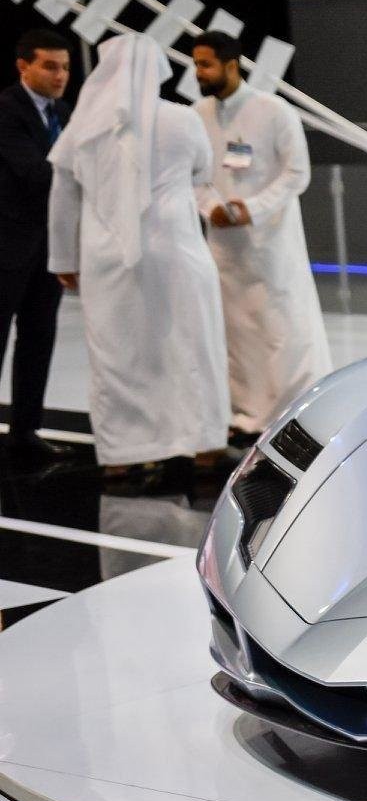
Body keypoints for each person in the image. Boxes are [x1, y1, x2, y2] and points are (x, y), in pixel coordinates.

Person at [46, 33, 229, 479]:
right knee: (191, 348)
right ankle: (204, 447)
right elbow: (203, 171)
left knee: (118, 355)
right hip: (177, 252)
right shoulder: (183, 119)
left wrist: (63, 260)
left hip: (106, 258)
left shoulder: (83, 127)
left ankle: (123, 455)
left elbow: (63, 198)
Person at [190, 31, 331, 440]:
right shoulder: (197, 115)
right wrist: (210, 207)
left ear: (231, 65)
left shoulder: (273, 110)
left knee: (282, 327)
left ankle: (297, 415)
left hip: (272, 243)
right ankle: (247, 415)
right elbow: (193, 174)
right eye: (196, 64)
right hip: (224, 245)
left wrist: (251, 209)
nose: (198, 72)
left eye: (205, 64)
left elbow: (297, 174)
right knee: (237, 331)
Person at [0, 29, 75, 469]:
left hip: (48, 248)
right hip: (7, 247)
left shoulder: (63, 112)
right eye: (49, 66)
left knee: (38, 338)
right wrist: (87, 178)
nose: (59, 75)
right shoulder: (7, 110)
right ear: (23, 66)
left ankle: (25, 433)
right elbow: (34, 174)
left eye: (64, 67)